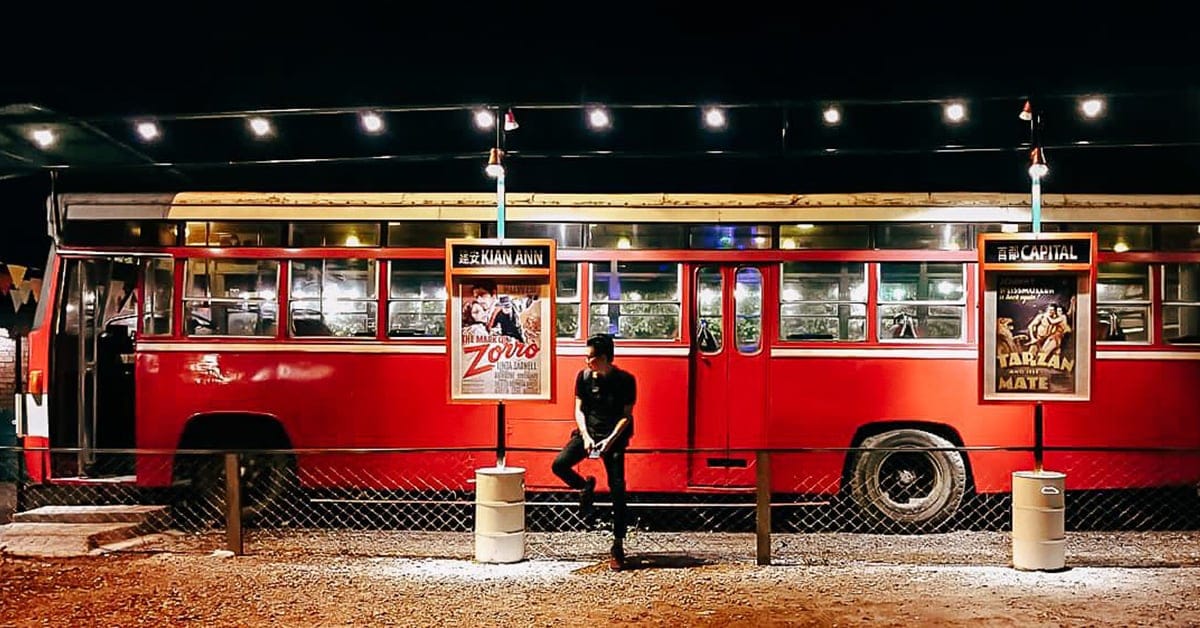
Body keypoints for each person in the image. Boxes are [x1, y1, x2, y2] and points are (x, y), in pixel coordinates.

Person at [551, 333, 636, 571]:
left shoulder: (626, 381)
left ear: (605, 358)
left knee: (617, 488)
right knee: (559, 464)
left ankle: (617, 544)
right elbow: (578, 410)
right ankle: (584, 486)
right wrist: (586, 437)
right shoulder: (584, 377)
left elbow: (626, 417)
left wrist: (609, 441)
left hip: (615, 438)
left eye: (591, 357)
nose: (587, 362)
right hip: (588, 433)